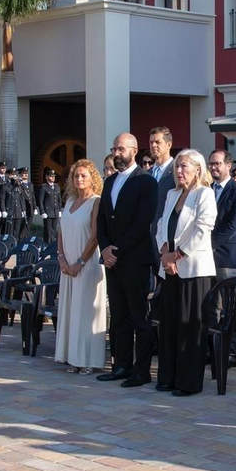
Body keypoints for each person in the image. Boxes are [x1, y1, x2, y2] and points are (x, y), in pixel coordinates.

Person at [96, 132, 160, 387]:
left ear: (134, 150)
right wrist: (104, 249)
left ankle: (141, 370)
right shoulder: (110, 182)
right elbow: (101, 219)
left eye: (121, 149)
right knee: (119, 315)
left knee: (138, 317)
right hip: (112, 260)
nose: (116, 153)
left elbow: (142, 223)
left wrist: (117, 249)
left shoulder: (146, 182)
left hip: (134, 259)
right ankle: (121, 364)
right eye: (114, 149)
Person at [152, 149, 217, 396]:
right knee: (169, 324)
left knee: (189, 326)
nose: (179, 171)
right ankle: (168, 376)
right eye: (177, 166)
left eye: (185, 166)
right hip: (170, 268)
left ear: (198, 169)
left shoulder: (205, 194)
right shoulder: (171, 194)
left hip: (193, 269)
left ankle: (188, 382)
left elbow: (203, 229)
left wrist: (177, 255)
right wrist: (165, 253)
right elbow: (160, 225)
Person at [55, 159, 108, 374]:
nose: (79, 179)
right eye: (76, 175)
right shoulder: (69, 201)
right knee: (70, 311)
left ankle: (87, 359)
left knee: (85, 312)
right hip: (67, 265)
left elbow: (95, 235)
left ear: (92, 178)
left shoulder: (96, 202)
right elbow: (60, 232)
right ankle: (71, 357)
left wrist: (79, 262)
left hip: (87, 264)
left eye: (84, 175)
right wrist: (61, 258)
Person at [206, 149, 236, 279]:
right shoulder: (206, 190)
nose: (213, 167)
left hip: (226, 259)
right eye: (211, 164)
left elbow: (233, 226)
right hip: (204, 260)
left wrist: (207, 245)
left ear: (228, 165)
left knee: (224, 298)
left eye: (217, 163)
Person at [39, 168, 62, 249]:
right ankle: (47, 245)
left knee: (54, 230)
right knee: (48, 231)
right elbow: (41, 200)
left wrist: (59, 210)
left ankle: (52, 245)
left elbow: (59, 199)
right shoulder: (44, 187)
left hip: (55, 211)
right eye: (51, 176)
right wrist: (42, 212)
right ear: (46, 177)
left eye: (53, 176)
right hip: (47, 212)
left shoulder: (56, 187)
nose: (53, 178)